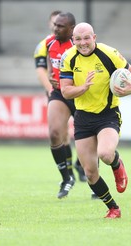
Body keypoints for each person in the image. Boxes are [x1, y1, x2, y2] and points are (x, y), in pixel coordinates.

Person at [60, 22, 131, 218]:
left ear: (94, 37)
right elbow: (65, 91)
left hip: (108, 115)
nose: (83, 42)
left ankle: (116, 163)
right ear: (73, 40)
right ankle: (113, 208)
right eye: (78, 39)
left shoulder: (109, 53)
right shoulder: (68, 57)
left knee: (105, 153)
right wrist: (83, 88)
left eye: (86, 38)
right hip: (83, 118)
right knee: (90, 172)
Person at [34, 12, 87, 199]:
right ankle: (67, 178)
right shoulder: (48, 43)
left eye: (60, 26)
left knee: (89, 141)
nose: (55, 28)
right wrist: (51, 76)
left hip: (80, 95)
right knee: (55, 134)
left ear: (71, 29)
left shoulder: (80, 45)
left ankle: (93, 178)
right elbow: (50, 62)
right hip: (59, 94)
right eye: (55, 25)